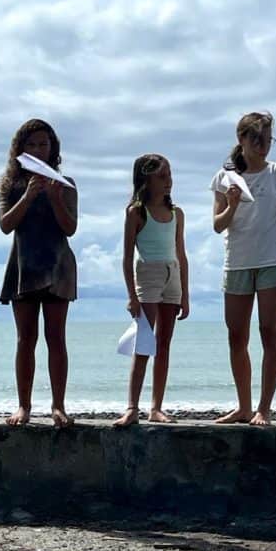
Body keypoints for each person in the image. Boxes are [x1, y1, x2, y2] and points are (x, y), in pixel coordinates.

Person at [210, 112, 276, 426]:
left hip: (272, 260)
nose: (263, 145)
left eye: (268, 139)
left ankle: (264, 408)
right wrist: (232, 205)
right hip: (238, 262)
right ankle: (244, 406)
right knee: (236, 336)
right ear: (241, 139)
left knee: (269, 332)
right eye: (256, 138)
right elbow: (218, 225)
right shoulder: (224, 177)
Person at [0, 119, 78, 427]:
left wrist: (56, 198)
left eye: (43, 144)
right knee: (25, 338)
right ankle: (24, 406)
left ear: (52, 148)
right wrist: (29, 195)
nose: (37, 150)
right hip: (24, 266)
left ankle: (58, 406)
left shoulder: (65, 182)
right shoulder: (11, 184)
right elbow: (6, 225)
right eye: (31, 144)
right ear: (20, 149)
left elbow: (70, 227)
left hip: (57, 266)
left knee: (56, 337)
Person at [114, 155, 190, 427]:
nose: (168, 181)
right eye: (162, 176)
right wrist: (131, 296)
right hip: (148, 273)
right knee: (144, 344)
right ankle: (132, 407)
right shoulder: (136, 211)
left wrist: (186, 294)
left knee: (164, 344)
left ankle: (156, 407)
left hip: (173, 275)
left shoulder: (176, 213)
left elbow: (182, 254)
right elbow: (125, 257)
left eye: (169, 175)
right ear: (146, 179)